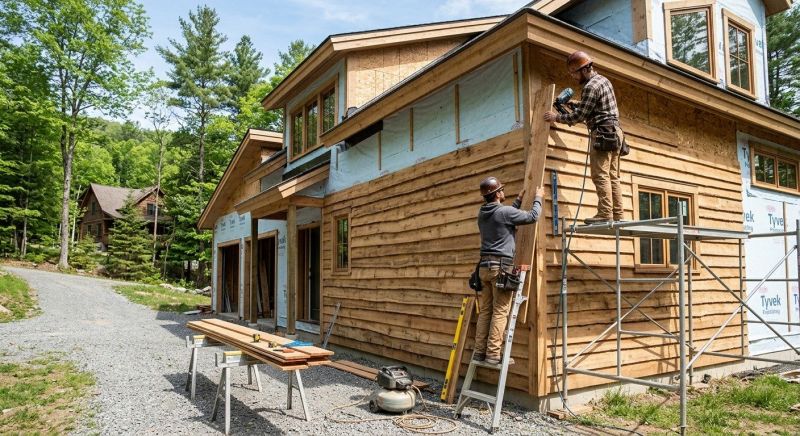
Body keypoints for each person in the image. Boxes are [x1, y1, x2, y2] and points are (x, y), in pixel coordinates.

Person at [544, 50, 625, 224]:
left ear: (583, 69)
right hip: (615, 132)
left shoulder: (590, 87)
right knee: (613, 175)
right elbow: (593, 106)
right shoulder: (603, 80)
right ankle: (618, 215)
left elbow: (578, 117)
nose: (573, 77)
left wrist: (556, 117)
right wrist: (572, 103)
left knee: (600, 175)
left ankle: (605, 213)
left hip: (603, 132)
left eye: (574, 73)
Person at [474, 176, 543, 365]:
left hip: (484, 268)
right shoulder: (503, 212)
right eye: (501, 190)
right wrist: (538, 198)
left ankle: (480, 352)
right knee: (500, 311)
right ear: (497, 194)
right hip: (501, 267)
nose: (504, 192)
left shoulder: (483, 213)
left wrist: (518, 200)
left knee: (486, 311)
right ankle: (493, 354)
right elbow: (532, 216)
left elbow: (505, 215)